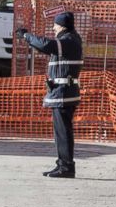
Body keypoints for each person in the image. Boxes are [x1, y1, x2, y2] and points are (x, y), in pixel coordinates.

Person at [15, 11, 83, 178]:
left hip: (63, 94)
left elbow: (45, 44)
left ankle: (66, 167)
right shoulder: (70, 39)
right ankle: (62, 164)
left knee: (63, 132)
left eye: (55, 24)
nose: (53, 27)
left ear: (62, 26)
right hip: (62, 93)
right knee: (61, 132)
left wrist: (26, 36)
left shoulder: (68, 40)